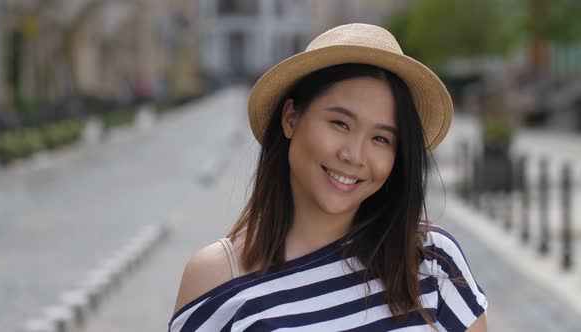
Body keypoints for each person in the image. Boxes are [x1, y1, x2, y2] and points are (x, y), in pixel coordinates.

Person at [169, 23, 488, 331]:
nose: (354, 155)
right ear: (291, 118)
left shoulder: (431, 261)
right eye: (340, 124)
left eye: (381, 139)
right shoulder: (217, 278)